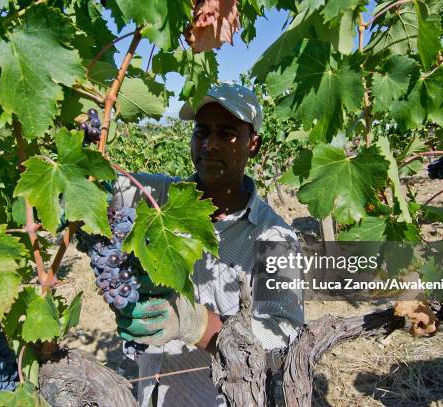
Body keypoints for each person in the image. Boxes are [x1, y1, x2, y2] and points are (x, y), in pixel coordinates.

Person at [109, 83, 304, 406]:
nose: (209, 145)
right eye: (201, 132)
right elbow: (98, 186)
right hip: (151, 394)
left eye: (226, 133)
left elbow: (282, 337)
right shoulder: (157, 198)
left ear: (253, 144)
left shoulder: (275, 238)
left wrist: (197, 324)